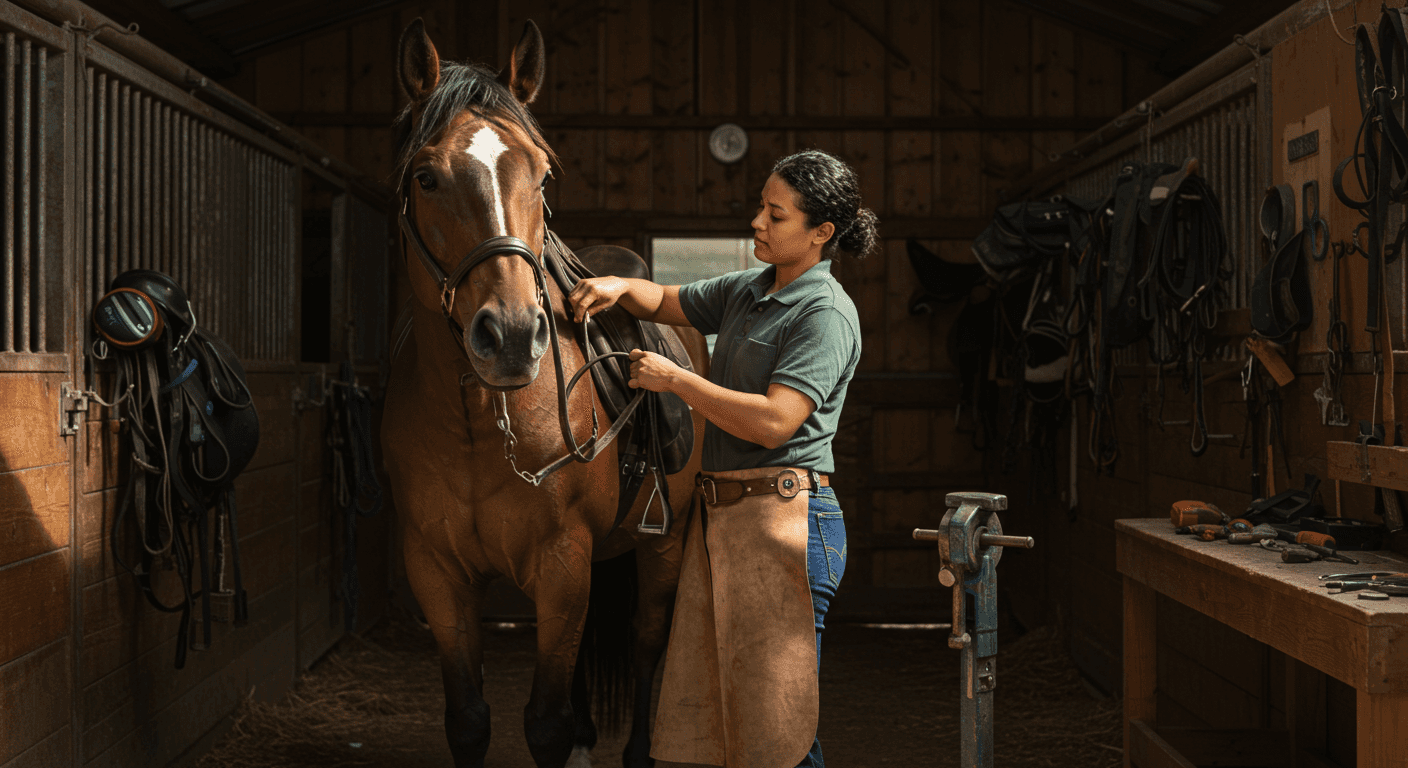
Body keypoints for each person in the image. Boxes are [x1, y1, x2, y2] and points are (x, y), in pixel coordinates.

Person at [567, 149, 874, 768]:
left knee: (780, 727)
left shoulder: (826, 313)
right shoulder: (748, 289)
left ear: (821, 234)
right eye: (760, 206)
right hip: (729, 519)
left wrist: (676, 380)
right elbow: (664, 302)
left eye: (775, 214)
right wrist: (620, 285)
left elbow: (774, 421)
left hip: (787, 520)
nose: (757, 222)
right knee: (729, 712)